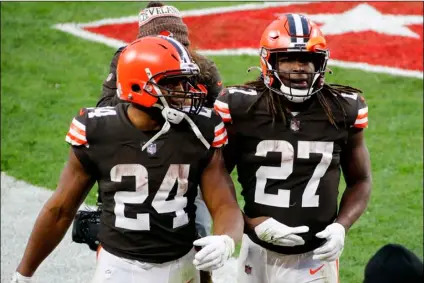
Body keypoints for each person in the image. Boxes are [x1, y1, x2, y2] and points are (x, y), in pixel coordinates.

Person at [11, 36, 243, 283]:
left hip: (181, 265)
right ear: (137, 86)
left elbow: (225, 204)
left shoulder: (201, 129)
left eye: (185, 81)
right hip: (119, 267)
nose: (185, 91)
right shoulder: (99, 131)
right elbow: (60, 210)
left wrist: (225, 239)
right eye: (172, 83)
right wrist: (23, 274)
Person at [214, 14, 372, 283]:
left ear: (321, 63)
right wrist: (250, 223)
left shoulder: (343, 109)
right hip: (256, 249)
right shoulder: (241, 107)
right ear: (269, 61)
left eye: (308, 60)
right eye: (288, 59)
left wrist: (340, 227)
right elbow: (214, 177)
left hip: (315, 254)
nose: (299, 68)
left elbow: (361, 180)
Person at [96, 1, 222, 239]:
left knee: (201, 238)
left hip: (183, 160)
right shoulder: (126, 60)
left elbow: (218, 121)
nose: (174, 52)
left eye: (178, 44)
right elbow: (106, 112)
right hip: (135, 156)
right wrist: (148, 101)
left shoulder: (203, 66)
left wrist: (182, 108)